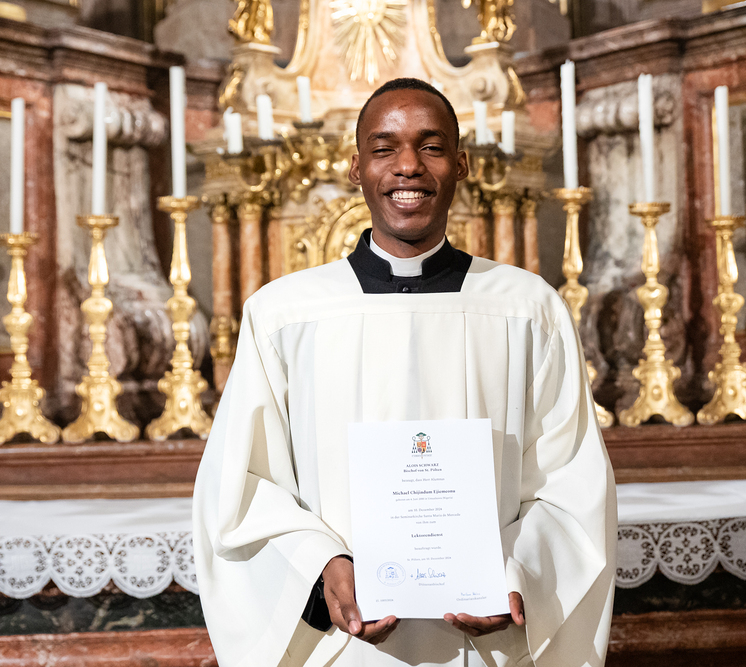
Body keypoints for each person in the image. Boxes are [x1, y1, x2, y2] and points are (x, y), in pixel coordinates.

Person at [193, 77, 616, 667]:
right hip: (344, 646)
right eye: (384, 148)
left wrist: (516, 571)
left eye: (431, 146)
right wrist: (322, 566)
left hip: (485, 645)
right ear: (356, 167)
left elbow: (570, 479)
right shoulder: (284, 314)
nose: (408, 166)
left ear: (461, 165)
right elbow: (240, 485)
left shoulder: (527, 308)